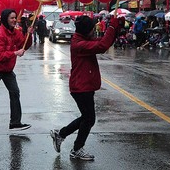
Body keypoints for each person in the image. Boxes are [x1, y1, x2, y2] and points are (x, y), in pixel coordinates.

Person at [50, 15, 123, 161]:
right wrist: (112, 27)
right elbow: (102, 46)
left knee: (87, 118)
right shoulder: (79, 44)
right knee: (89, 119)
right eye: (92, 29)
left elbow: (104, 42)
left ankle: (61, 135)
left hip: (84, 85)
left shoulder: (82, 39)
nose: (93, 32)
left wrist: (114, 29)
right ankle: (76, 148)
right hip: (81, 87)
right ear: (86, 30)